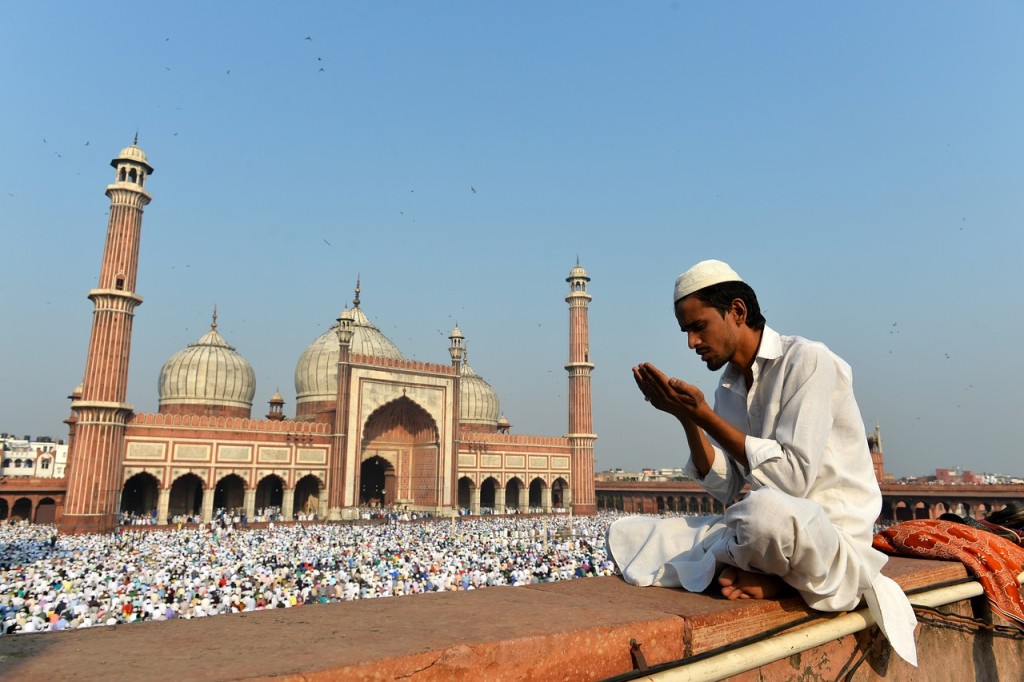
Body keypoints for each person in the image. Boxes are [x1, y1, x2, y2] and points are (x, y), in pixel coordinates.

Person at [608, 259, 917, 665]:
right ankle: (766, 574)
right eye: (686, 331)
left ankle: (775, 582)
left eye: (699, 326)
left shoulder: (807, 361)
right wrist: (688, 420)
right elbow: (732, 488)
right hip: (764, 527)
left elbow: (792, 478)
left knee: (764, 514)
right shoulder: (728, 391)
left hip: (823, 532)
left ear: (737, 311)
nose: (691, 342)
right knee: (631, 533)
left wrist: (705, 417)